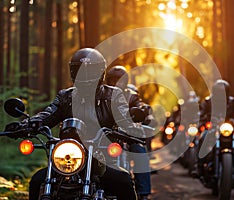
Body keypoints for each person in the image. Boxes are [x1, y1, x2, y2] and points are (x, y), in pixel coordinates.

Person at [5, 48, 140, 200]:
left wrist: (129, 126)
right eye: (81, 71)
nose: (86, 77)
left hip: (102, 159)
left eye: (92, 71)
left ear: (101, 72)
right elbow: (48, 115)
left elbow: (123, 116)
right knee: (37, 181)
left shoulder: (113, 95)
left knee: (124, 181)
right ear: (73, 73)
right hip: (68, 159)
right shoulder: (66, 97)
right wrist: (25, 125)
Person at [192, 79, 234, 179]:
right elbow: (200, 112)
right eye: (219, 92)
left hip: (229, 128)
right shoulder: (208, 101)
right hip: (213, 129)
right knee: (203, 137)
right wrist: (198, 118)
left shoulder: (232, 101)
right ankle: (199, 167)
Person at [105, 65, 152, 200]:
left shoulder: (131, 96)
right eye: (113, 80)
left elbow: (139, 105)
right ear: (108, 80)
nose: (116, 83)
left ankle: (143, 192)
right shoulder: (103, 94)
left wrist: (143, 110)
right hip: (106, 136)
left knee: (140, 152)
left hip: (127, 134)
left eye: (120, 80)